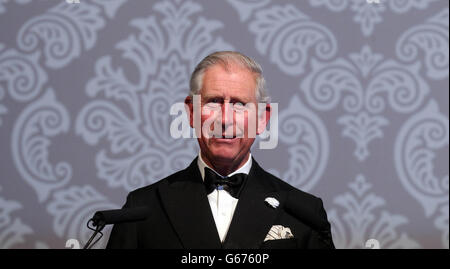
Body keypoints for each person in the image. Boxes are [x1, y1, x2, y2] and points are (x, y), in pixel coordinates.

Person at [106, 51, 334, 249]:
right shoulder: (142, 208)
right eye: (214, 101)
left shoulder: (305, 212)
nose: (225, 119)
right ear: (192, 112)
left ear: (263, 118)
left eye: (239, 104)